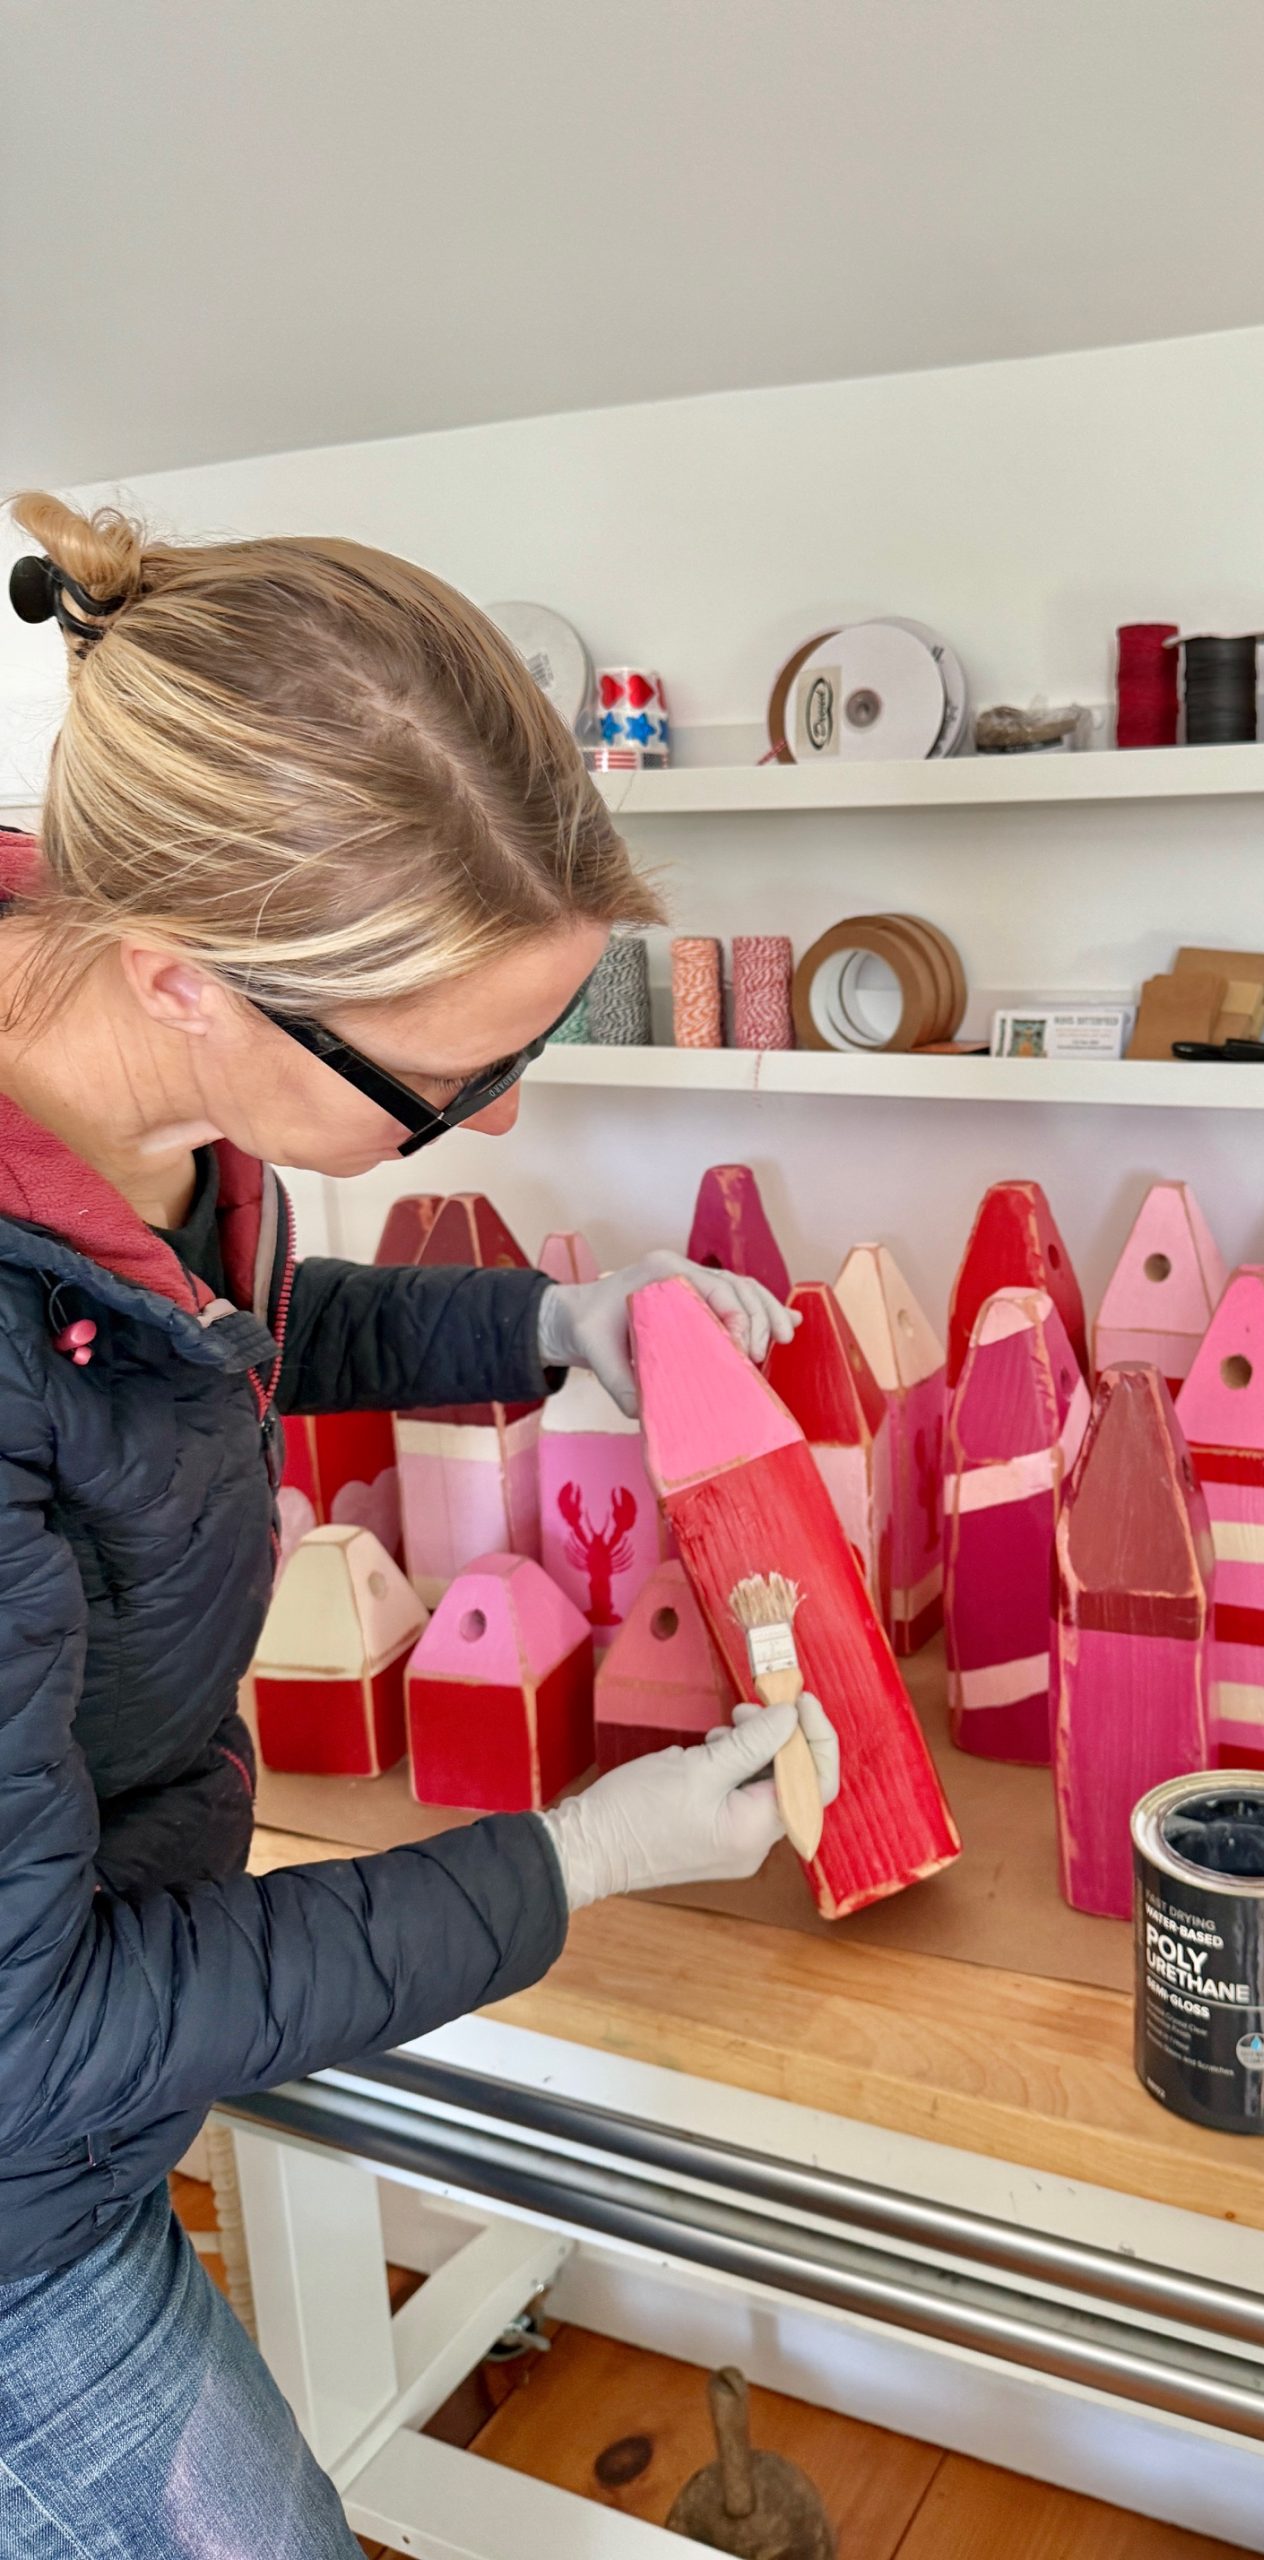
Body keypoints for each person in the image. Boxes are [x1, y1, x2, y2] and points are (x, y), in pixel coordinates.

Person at [0, 494, 838, 2558]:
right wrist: (576, 1859)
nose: (506, 1116)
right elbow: (37, 2040)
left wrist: (550, 1321)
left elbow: (220, 1333)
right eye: (454, 1081)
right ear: (186, 982)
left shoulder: (139, 1057)